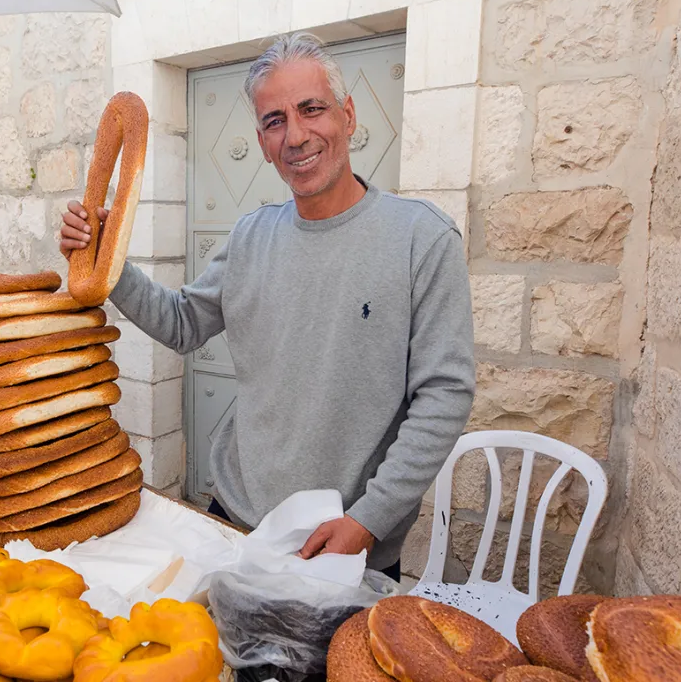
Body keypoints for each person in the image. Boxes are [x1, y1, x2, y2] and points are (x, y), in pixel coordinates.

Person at [60, 32, 475, 583]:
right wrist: (107, 262)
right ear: (260, 140)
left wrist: (368, 520)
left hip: (344, 540)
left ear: (347, 115)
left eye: (312, 109)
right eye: (275, 120)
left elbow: (444, 396)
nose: (296, 135)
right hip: (234, 517)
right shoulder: (252, 235)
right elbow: (183, 324)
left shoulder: (423, 239)